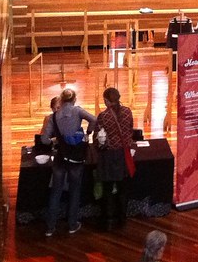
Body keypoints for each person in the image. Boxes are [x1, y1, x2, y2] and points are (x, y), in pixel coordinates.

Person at [41, 88, 96, 237]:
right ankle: (72, 224)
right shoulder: (78, 111)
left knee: (56, 192)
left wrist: (56, 140)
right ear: (74, 99)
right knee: (75, 191)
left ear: (61, 100)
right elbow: (94, 119)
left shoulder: (54, 117)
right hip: (76, 158)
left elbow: (44, 140)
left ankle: (50, 228)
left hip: (61, 157)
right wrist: (88, 133)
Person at [96, 86, 134, 231]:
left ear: (106, 101)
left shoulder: (103, 116)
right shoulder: (127, 112)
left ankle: (108, 220)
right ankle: (122, 219)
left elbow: (99, 139)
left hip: (109, 157)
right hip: (123, 155)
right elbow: (130, 130)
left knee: (107, 189)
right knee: (123, 189)